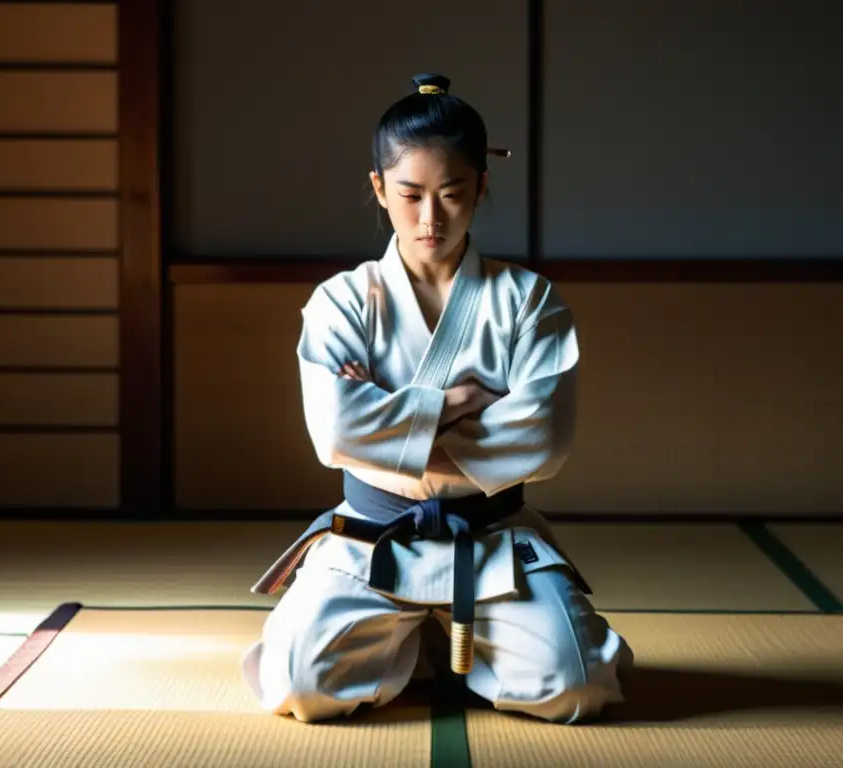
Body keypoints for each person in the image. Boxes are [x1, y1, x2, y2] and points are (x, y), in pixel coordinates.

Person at [241, 73, 632, 725]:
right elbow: (333, 432)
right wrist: (455, 403)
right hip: (372, 536)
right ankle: (426, 642)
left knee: (578, 686)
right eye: (410, 194)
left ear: (481, 185)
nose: (430, 219)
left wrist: (390, 428)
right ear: (378, 188)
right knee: (296, 687)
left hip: (491, 535)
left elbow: (544, 440)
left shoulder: (527, 301)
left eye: (452, 193)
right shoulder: (343, 300)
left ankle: (444, 641)